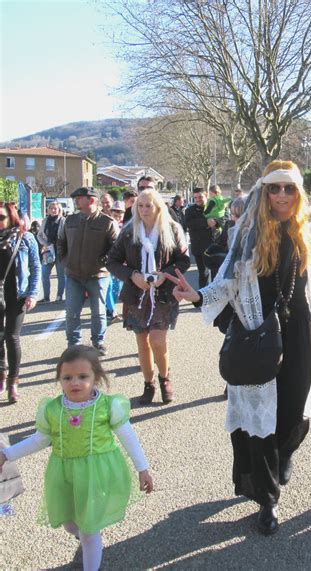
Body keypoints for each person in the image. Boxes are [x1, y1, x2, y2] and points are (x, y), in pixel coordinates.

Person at [168, 160, 311, 535]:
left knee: (294, 416)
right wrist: (197, 294)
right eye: (274, 188)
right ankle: (268, 500)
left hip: (299, 337)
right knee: (260, 422)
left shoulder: (308, 235)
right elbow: (227, 282)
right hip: (257, 335)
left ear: (299, 193)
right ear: (264, 192)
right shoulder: (246, 233)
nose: (281, 195)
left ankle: (283, 457)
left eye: (289, 188)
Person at [0, 345, 153, 571]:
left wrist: (143, 468)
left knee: (90, 530)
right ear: (59, 379)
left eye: (83, 377)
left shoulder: (107, 406)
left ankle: (91, 556)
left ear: (96, 378)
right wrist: (6, 454)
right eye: (67, 377)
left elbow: (128, 437)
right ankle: (87, 541)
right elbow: (40, 439)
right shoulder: (52, 409)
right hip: (63, 474)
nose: (75, 383)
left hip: (97, 474)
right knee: (70, 523)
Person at [107, 189, 190, 405]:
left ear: (158, 207)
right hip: (136, 294)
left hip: (163, 295)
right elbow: (112, 261)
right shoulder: (128, 231)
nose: (144, 210)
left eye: (148, 205)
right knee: (142, 342)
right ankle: (148, 383)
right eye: (140, 206)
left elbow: (184, 260)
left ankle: (165, 379)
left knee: (157, 340)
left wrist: (166, 274)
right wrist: (132, 275)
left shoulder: (172, 229)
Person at [57, 187, 118, 356]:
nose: (76, 200)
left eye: (79, 198)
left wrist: (104, 261)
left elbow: (116, 247)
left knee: (98, 312)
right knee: (71, 312)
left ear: (91, 200)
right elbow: (61, 242)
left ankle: (98, 342)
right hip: (73, 275)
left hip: (98, 275)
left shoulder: (107, 222)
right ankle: (73, 344)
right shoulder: (69, 220)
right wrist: (64, 261)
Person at [0, 202, 40, 404]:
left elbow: (35, 266)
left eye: (1, 217)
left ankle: (13, 382)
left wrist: (33, 294)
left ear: (11, 217)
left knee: (11, 336)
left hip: (18, 294)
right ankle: (1, 374)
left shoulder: (25, 238)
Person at [185, 188, 220, 288]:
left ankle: (215, 296)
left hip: (214, 246)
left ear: (206, 196)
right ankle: (202, 297)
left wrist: (216, 223)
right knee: (203, 273)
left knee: (216, 273)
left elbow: (224, 219)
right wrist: (206, 222)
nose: (197, 199)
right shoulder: (189, 211)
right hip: (199, 247)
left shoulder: (215, 208)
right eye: (195, 197)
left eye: (200, 197)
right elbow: (189, 224)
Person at [37, 201, 66, 302]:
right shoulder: (45, 221)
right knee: (44, 274)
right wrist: (45, 244)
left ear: (59, 210)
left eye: (55, 209)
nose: (53, 210)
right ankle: (46, 297)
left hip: (60, 252)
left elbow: (66, 236)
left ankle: (59, 296)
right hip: (48, 251)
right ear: (48, 210)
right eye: (51, 208)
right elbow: (39, 235)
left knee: (61, 275)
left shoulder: (63, 221)